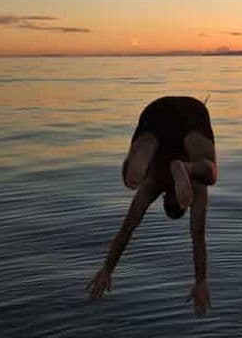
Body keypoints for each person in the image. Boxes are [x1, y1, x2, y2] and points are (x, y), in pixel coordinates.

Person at [86, 96, 218, 316]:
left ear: (170, 198)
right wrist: (107, 269)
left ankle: (166, 157)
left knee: (209, 173)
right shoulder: (155, 183)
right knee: (133, 181)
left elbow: (198, 239)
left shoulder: (163, 183)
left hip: (167, 114)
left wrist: (201, 281)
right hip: (161, 119)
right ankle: (153, 157)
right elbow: (126, 230)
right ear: (166, 199)